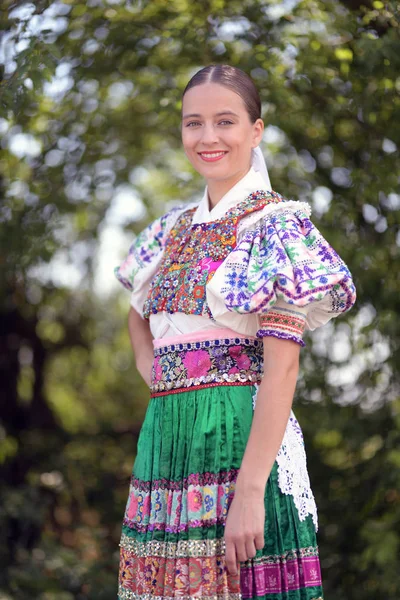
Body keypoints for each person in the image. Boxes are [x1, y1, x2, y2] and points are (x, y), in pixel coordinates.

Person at [114, 64, 356, 600]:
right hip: (166, 443)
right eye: (192, 123)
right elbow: (136, 310)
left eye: (225, 121)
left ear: (256, 130)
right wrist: (158, 375)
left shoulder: (274, 226)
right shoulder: (171, 229)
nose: (207, 137)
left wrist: (249, 492)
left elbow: (283, 366)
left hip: (239, 442)